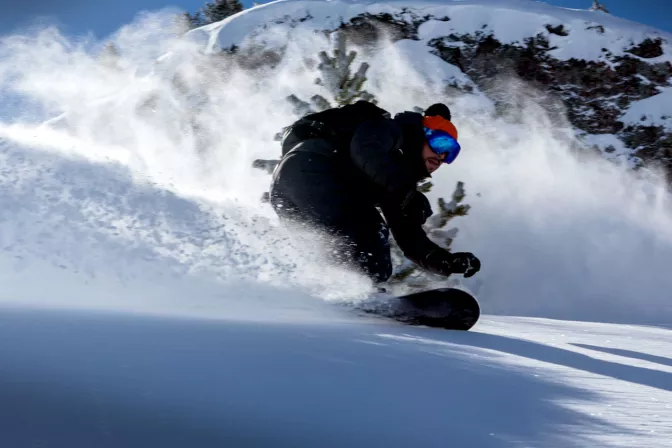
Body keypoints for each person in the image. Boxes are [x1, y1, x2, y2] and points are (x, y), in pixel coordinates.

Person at [269, 100, 481, 284]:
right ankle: (364, 295)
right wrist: (404, 189)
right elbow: (365, 148)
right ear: (422, 134)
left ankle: (329, 294)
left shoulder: (395, 179)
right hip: (314, 168)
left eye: (450, 153)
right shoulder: (392, 131)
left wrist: (446, 262)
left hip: (287, 189)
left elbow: (408, 235)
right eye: (440, 143)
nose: (441, 156)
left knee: (327, 250)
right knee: (371, 235)